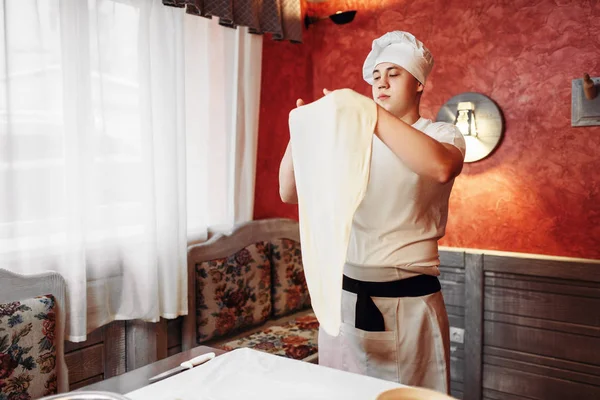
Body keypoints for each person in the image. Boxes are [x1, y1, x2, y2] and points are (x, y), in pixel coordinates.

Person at [278, 31, 465, 393]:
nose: (381, 82)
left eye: (394, 74)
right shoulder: (351, 142)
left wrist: (370, 113)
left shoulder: (442, 133)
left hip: (409, 304)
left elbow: (440, 167)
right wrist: (300, 131)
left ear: (419, 84)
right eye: (376, 77)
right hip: (344, 301)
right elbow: (289, 192)